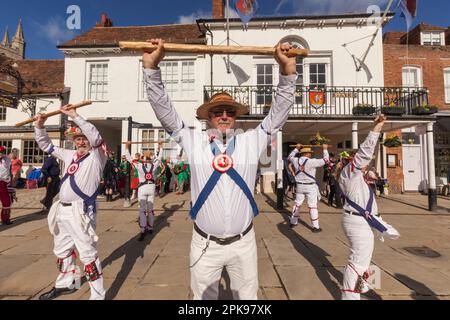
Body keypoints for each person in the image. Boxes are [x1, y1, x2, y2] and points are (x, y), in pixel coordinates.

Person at [143, 38, 296, 300]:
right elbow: (165, 113)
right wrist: (151, 69)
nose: (224, 115)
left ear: (236, 117)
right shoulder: (194, 142)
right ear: (208, 117)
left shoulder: (250, 141)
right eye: (217, 112)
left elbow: (278, 115)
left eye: (229, 111)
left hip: (244, 243)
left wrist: (287, 72)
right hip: (204, 244)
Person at [34, 105, 107, 300]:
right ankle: (69, 283)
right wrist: (40, 125)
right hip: (62, 211)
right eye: (78, 139)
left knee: (87, 253)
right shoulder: (69, 155)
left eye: (83, 138)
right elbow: (45, 145)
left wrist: (75, 116)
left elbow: (96, 138)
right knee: (62, 249)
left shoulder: (97, 157)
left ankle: (98, 296)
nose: (81, 141)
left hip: (81, 212)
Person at [334, 115, 400, 300]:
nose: (366, 166)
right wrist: (376, 129)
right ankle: (349, 296)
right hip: (357, 221)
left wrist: (371, 176)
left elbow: (367, 167)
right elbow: (365, 153)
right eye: (362, 164)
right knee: (357, 261)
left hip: (364, 220)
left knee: (365, 258)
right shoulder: (349, 173)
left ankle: (365, 288)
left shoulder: (358, 177)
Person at [124, 142, 163, 241]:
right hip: (152, 188)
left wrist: (127, 147)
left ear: (143, 159)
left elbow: (128, 158)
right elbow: (159, 158)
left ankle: (142, 230)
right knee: (150, 210)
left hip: (142, 188)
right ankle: (150, 228)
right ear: (150, 158)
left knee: (142, 210)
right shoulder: (154, 165)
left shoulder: (139, 165)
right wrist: (161, 147)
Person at [288, 144, 329, 232]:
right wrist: (325, 149)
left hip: (299, 186)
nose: (310, 154)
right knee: (312, 206)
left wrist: (297, 148)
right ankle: (315, 227)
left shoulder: (296, 160)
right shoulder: (312, 161)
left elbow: (289, 156)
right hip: (310, 187)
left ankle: (293, 222)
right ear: (307, 154)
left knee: (297, 204)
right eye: (310, 153)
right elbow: (326, 160)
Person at [0, 146, 12, 225]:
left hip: (4, 183)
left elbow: (9, 170)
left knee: (7, 201)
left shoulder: (7, 159)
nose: (2, 154)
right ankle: (5, 219)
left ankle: (5, 218)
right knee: (6, 201)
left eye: (3, 152)